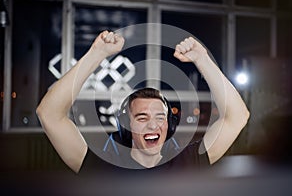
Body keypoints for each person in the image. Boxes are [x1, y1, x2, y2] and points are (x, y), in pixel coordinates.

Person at [36, 30, 250, 174]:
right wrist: (97, 54)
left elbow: (237, 116)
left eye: (160, 117)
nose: (153, 124)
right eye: (142, 117)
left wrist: (203, 59)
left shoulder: (189, 162)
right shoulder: (102, 167)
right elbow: (49, 114)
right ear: (125, 125)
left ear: (170, 124)